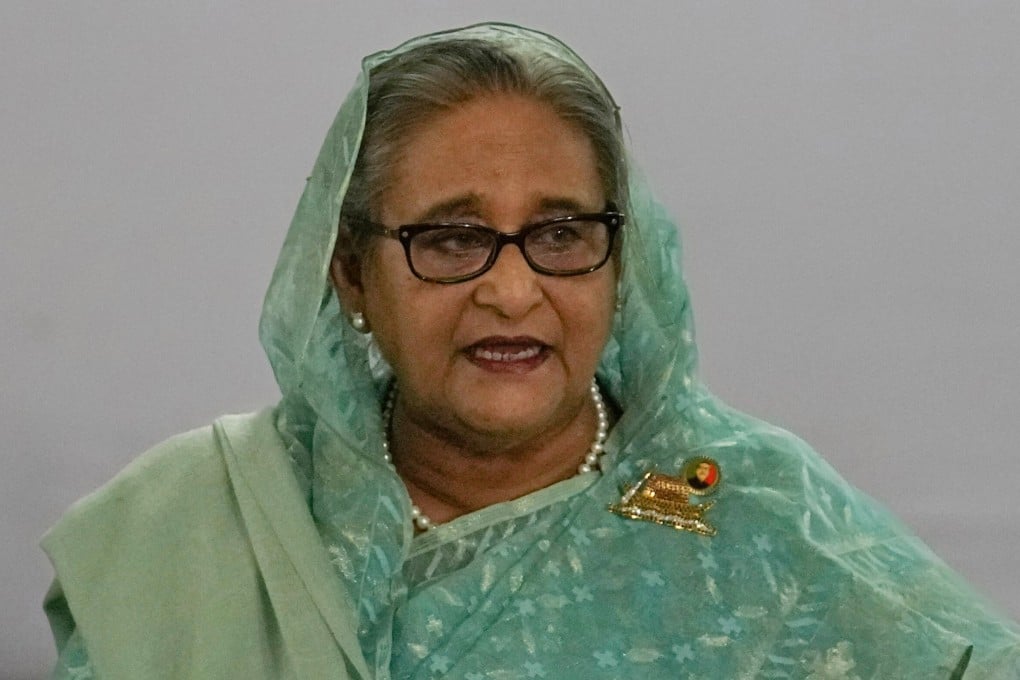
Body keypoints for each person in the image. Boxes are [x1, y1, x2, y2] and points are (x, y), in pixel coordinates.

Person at [42, 22, 1020, 679]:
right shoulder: (199, 524)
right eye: (450, 237)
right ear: (349, 272)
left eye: (560, 234)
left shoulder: (753, 511)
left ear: (622, 259)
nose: (513, 292)